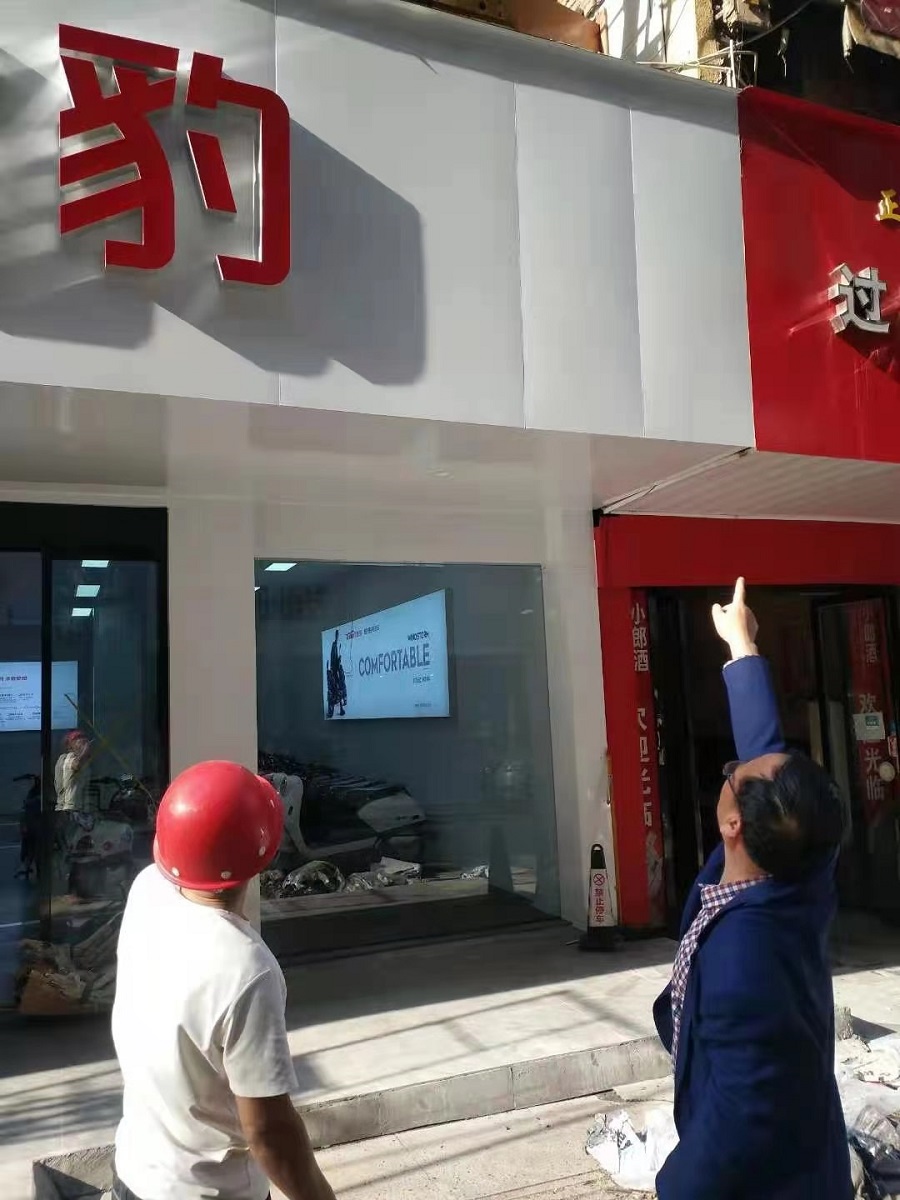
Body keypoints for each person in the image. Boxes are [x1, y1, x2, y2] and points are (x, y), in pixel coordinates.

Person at [653, 578, 851, 1200]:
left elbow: (742, 1119)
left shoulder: (746, 960)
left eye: (734, 775)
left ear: (733, 825)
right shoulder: (801, 862)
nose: (739, 763)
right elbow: (766, 753)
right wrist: (741, 645)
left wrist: (674, 1184)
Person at [111, 760, 337, 1200]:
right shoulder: (247, 968)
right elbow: (269, 1132)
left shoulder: (146, 889)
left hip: (134, 1174)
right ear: (265, 851)